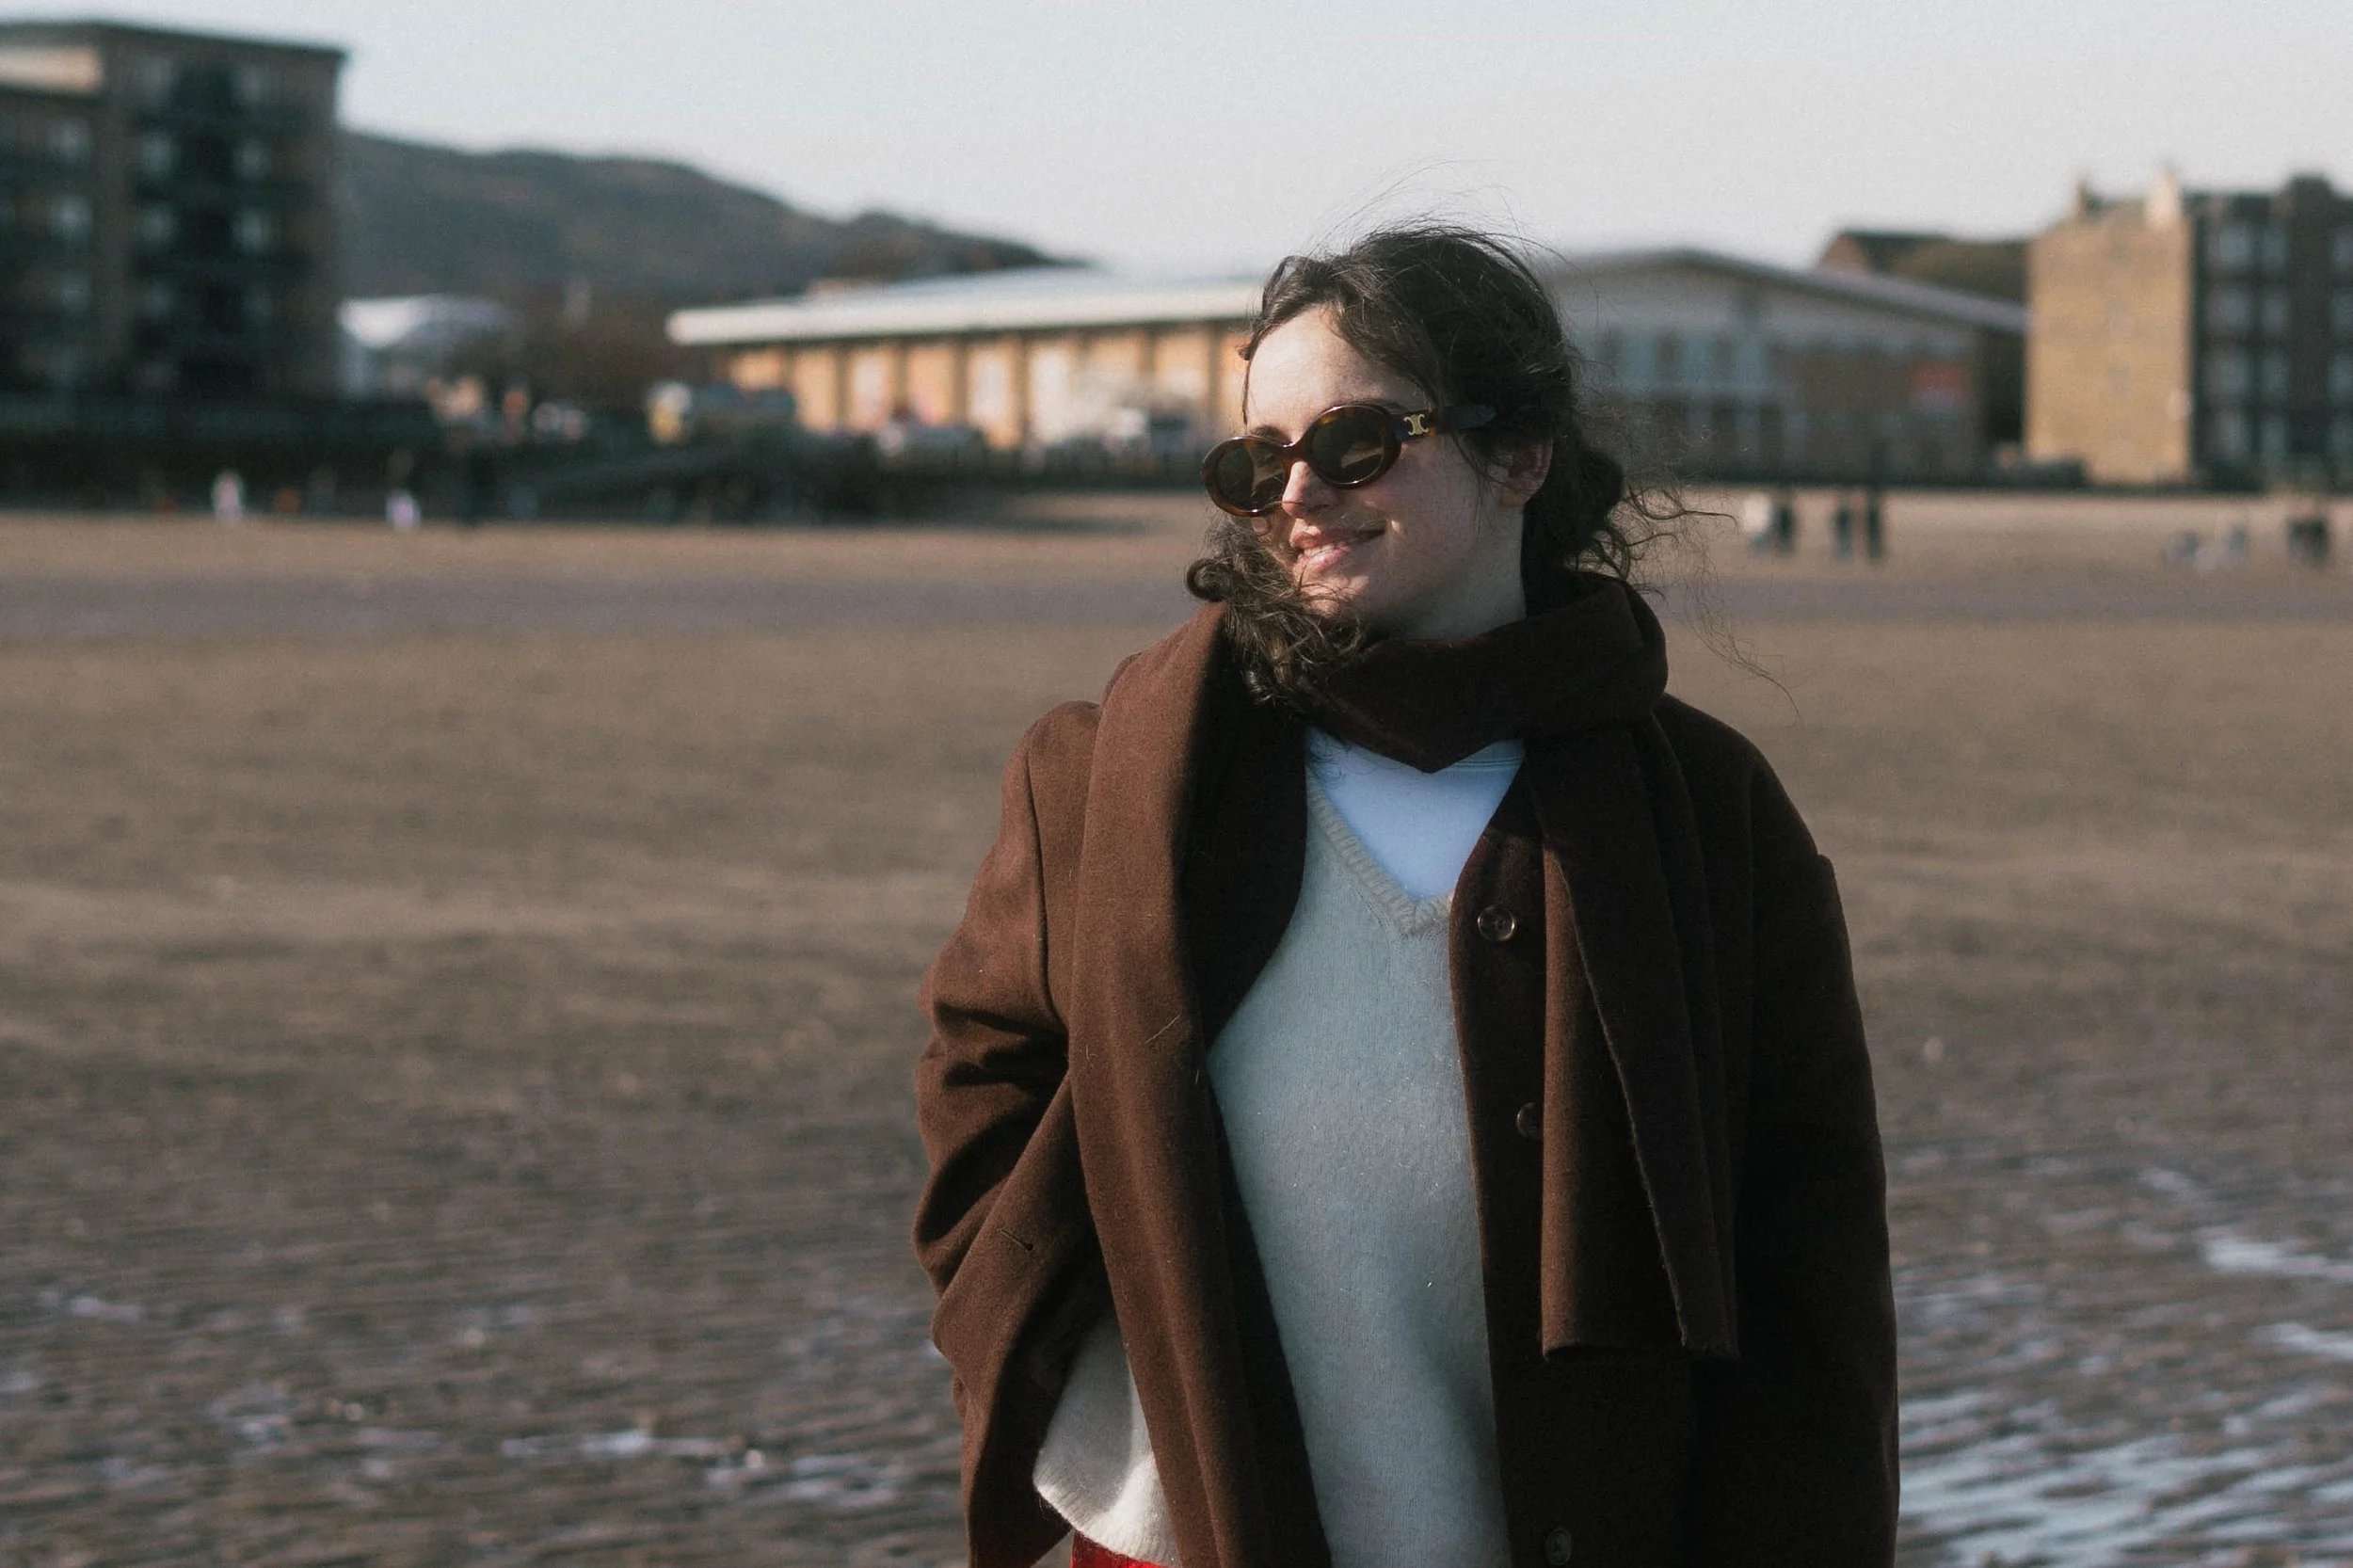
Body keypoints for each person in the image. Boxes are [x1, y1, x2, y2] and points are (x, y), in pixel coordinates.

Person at [913, 225, 1896, 1568]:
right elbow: (983, 1064)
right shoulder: (1112, 781)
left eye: (1359, 441)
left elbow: (1812, 1272)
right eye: (1257, 460)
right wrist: (1038, 1322)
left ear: (1522, 455)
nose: (1298, 491)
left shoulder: (1711, 820)